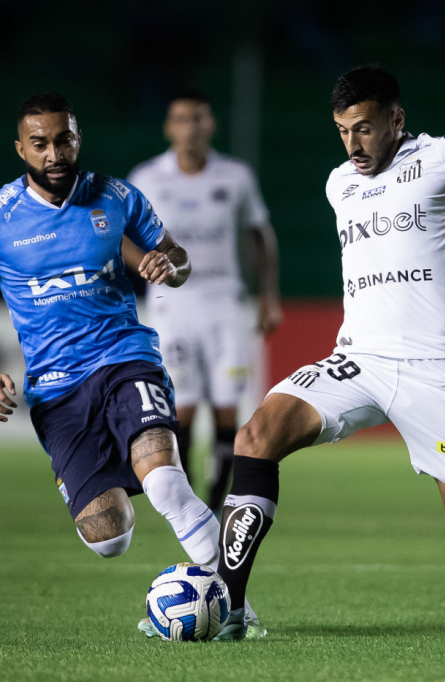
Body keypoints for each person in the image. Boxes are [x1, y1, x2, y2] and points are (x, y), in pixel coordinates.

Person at [209, 65, 445, 642]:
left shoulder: (443, 157)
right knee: (255, 438)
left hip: (437, 366)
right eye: (343, 131)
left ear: (397, 119)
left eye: (365, 129)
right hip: (359, 360)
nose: (353, 144)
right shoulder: (339, 184)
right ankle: (229, 607)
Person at [0, 92, 264, 639]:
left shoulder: (117, 197)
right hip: (57, 390)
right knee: (109, 538)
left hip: (125, 359)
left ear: (78, 139)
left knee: (166, 485)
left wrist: (169, 266)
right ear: (21, 149)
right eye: (40, 144)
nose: (54, 153)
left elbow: (178, 258)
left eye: (64, 140)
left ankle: (234, 610)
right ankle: (193, 587)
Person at [127, 89, 282, 515]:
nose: (190, 128)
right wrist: (144, 266)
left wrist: (268, 295)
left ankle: (216, 502)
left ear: (211, 124)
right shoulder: (147, 177)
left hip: (224, 303)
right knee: (182, 407)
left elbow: (260, 233)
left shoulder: (235, 176)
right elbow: (121, 237)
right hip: (171, 305)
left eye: (198, 118)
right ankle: (189, 500)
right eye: (181, 119)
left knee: (229, 407)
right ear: (168, 127)